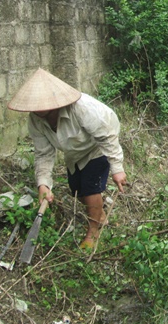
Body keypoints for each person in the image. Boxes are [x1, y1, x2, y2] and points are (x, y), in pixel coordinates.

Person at [7, 68, 128, 249]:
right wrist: (43, 184)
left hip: (98, 145)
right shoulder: (36, 120)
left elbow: (106, 137)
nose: (37, 109)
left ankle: (93, 231)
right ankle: (100, 217)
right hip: (75, 151)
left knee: (90, 189)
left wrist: (117, 169)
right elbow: (43, 153)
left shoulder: (81, 109)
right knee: (78, 191)